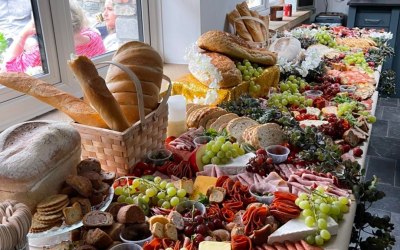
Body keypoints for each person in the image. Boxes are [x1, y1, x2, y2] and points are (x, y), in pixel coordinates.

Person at [2, 0, 106, 73]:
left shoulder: (41, 54)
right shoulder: (95, 37)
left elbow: (6, 71)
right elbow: (80, 29)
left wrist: (23, 35)